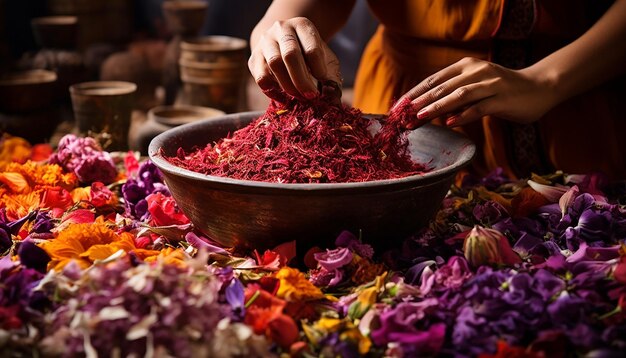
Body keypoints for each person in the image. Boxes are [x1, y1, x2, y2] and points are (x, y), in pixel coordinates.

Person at [247, 0, 626, 180]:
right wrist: (277, 36)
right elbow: (302, 9)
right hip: (411, 119)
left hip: (575, 97)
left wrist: (545, 81)